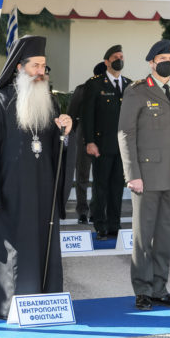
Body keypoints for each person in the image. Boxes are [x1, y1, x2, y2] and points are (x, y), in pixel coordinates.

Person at [0, 36, 73, 319]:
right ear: (19, 67)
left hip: (43, 191)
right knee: (13, 251)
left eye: (44, 66)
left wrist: (66, 133)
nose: (41, 72)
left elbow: (56, 147)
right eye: (35, 66)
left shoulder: (49, 101)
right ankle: (6, 304)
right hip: (9, 194)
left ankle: (42, 301)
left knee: (41, 244)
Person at [118, 39, 170, 311]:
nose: (168, 63)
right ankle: (143, 290)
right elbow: (126, 133)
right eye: (163, 58)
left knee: (165, 236)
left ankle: (159, 288)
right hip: (146, 175)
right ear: (152, 62)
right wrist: (132, 173)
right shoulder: (137, 91)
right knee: (144, 237)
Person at [83, 45, 131, 239]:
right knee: (101, 186)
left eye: (121, 56)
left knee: (117, 187)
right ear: (107, 62)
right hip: (101, 145)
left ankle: (114, 224)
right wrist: (90, 141)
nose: (119, 59)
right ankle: (100, 224)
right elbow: (87, 116)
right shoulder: (95, 84)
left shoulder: (129, 85)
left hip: (123, 146)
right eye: (115, 57)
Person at [68, 62, 106, 224]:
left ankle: (96, 211)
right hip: (84, 137)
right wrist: (73, 135)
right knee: (82, 176)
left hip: (104, 140)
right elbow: (72, 113)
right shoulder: (82, 90)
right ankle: (82, 211)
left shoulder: (114, 90)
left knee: (101, 177)